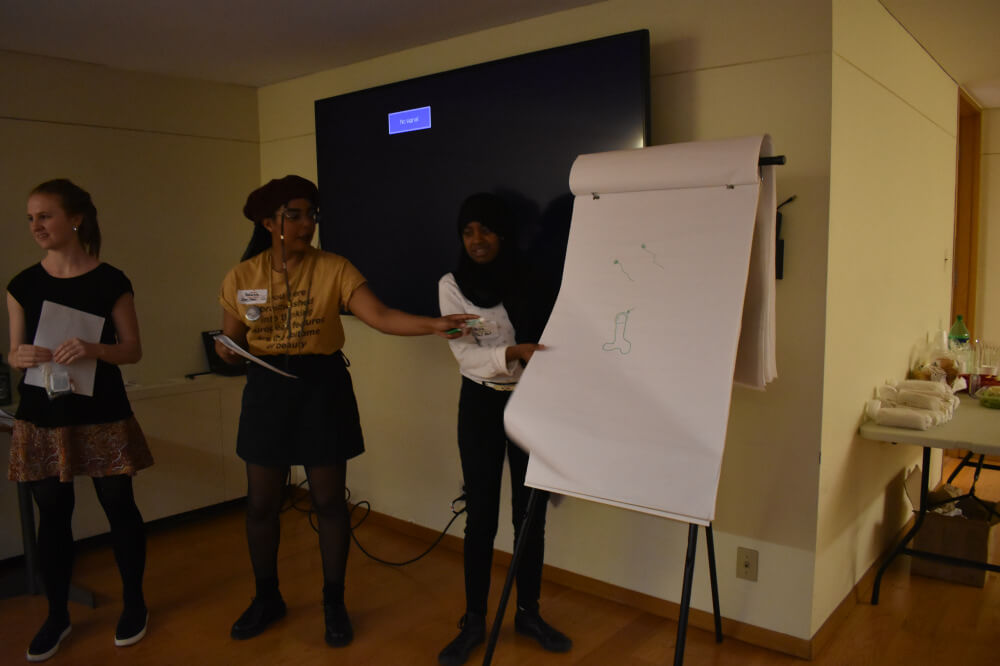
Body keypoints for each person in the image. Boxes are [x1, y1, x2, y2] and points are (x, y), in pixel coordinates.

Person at [216, 175, 472, 648]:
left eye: (311, 215)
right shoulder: (241, 276)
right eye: (294, 215)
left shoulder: (335, 268)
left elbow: (380, 316)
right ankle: (267, 598)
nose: (306, 224)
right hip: (266, 392)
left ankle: (334, 602)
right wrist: (227, 352)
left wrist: (432, 325)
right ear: (268, 222)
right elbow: (230, 341)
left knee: (330, 502)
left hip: (322, 388)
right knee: (261, 503)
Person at [6, 179, 153, 662]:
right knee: (52, 514)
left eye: (44, 216)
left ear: (75, 219)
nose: (36, 226)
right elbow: (13, 353)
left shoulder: (110, 281)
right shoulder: (22, 285)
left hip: (101, 412)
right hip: (43, 416)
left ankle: (134, 604)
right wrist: (19, 356)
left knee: (119, 505)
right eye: (31, 218)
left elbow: (132, 350)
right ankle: (56, 615)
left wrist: (94, 348)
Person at [436, 192, 571, 666]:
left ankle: (528, 613)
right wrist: (514, 353)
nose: (477, 240)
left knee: (530, 516)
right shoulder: (452, 285)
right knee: (481, 517)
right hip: (480, 404)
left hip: (532, 401)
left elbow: (558, 338)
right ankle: (474, 620)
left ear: (504, 234)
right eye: (468, 231)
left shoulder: (533, 276)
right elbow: (465, 355)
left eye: (487, 230)